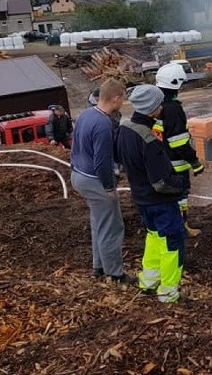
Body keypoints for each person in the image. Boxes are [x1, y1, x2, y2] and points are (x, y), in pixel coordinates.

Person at [116, 85, 189, 303]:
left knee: (154, 238)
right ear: (153, 109)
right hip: (161, 202)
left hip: (141, 199)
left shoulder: (124, 129)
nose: (161, 108)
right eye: (159, 105)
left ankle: (148, 281)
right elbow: (161, 182)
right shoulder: (149, 140)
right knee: (172, 244)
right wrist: (181, 185)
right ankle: (168, 292)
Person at [70, 78, 132, 283]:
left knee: (98, 222)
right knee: (112, 227)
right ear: (115, 98)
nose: (122, 103)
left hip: (78, 175)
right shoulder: (104, 124)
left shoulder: (85, 115)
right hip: (94, 180)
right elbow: (102, 161)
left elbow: (75, 146)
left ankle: (99, 266)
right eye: (122, 98)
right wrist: (108, 187)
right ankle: (115, 273)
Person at [152, 63, 204, 237]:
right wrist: (194, 161)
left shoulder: (157, 105)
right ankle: (182, 227)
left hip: (161, 159)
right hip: (176, 163)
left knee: (171, 194)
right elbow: (178, 142)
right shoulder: (173, 109)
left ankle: (177, 225)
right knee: (180, 194)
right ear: (176, 84)